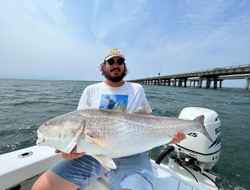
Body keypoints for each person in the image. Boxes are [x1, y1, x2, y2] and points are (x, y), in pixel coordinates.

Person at [32, 47, 186, 190]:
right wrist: (70, 150)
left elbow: (147, 119)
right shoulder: (90, 91)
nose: (115, 65)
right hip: (90, 155)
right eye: (111, 61)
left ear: (124, 67)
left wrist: (169, 133)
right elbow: (76, 127)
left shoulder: (136, 89)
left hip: (132, 154)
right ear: (104, 66)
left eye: (120, 62)